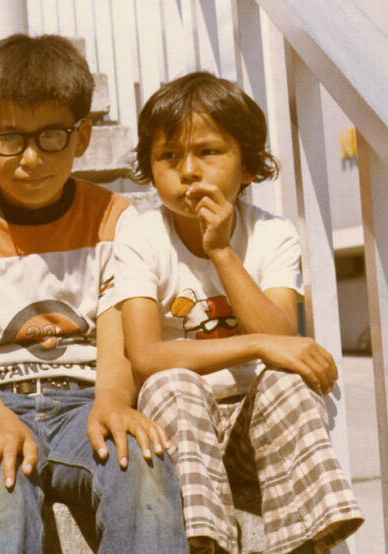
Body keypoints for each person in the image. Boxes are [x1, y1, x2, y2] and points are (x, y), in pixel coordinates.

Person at [0, 34, 187, 553]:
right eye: (8, 139)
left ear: (82, 136)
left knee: (145, 465)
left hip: (85, 404)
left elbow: (116, 346)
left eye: (51, 137)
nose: (30, 158)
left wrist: (112, 400)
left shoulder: (115, 218)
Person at [115, 71, 364, 554]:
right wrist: (253, 345)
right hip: (180, 432)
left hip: (257, 430)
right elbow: (144, 357)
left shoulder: (272, 234)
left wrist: (222, 252)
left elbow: (281, 336)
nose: (188, 171)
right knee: (171, 380)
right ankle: (205, 543)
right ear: (149, 167)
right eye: (169, 156)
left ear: (248, 167)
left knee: (289, 380)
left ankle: (306, 542)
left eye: (208, 152)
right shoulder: (140, 237)